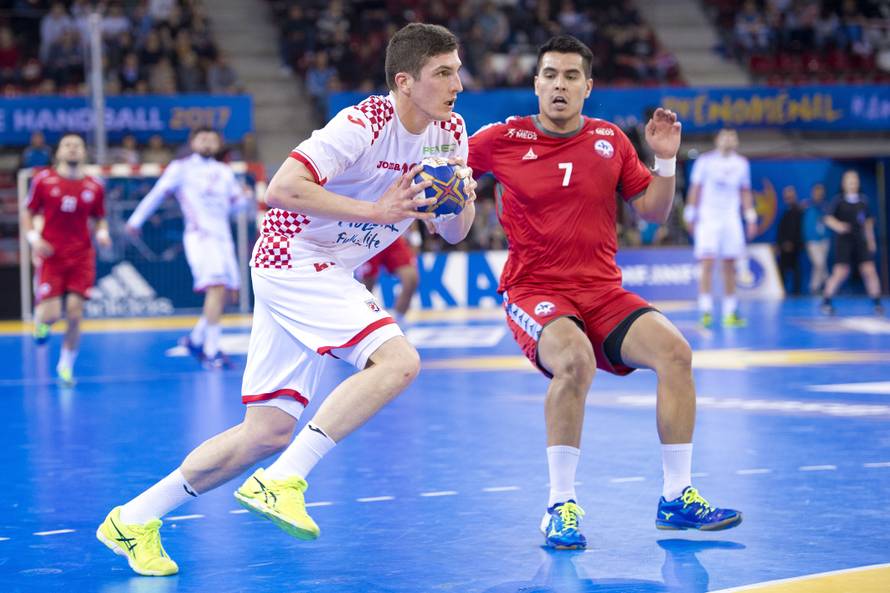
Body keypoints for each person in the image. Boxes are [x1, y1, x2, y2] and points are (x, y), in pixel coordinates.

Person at [98, 23, 476, 576]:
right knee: (398, 361)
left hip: (322, 267)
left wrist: (460, 198)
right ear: (405, 81)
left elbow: (456, 232)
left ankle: (133, 520)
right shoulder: (364, 123)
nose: (457, 84)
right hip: (291, 254)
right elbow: (282, 188)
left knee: (266, 432)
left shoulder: (451, 131)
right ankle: (283, 481)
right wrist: (378, 212)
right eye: (444, 72)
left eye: (457, 70)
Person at [467, 35, 741, 551]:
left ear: (588, 87)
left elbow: (654, 213)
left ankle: (677, 498)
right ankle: (560, 506)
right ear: (535, 83)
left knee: (676, 353)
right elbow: (447, 169)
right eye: (550, 75)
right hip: (535, 290)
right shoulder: (502, 138)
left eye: (571, 76)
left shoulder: (610, 139)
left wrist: (665, 161)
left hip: (602, 290)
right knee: (575, 362)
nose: (559, 85)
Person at [125, 127, 249, 368]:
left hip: (223, 239)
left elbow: (234, 208)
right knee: (215, 287)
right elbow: (157, 194)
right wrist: (135, 220)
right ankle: (211, 351)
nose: (207, 143)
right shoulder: (181, 168)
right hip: (200, 237)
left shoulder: (224, 172)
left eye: (212, 139)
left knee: (224, 295)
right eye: (203, 138)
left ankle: (194, 340)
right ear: (193, 143)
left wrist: (246, 199)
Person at [22, 133, 111, 385]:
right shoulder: (43, 180)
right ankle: (41, 324)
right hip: (52, 254)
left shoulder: (94, 185)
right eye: (67, 146)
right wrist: (33, 239)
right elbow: (28, 212)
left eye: (77, 146)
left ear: (84, 153)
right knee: (50, 315)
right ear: (58, 153)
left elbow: (99, 216)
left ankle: (65, 366)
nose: (72, 150)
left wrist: (102, 233)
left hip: (81, 256)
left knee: (74, 313)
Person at [684, 128, 757, 328]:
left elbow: (745, 192)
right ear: (717, 140)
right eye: (725, 136)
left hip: (731, 219)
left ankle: (730, 311)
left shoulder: (742, 164)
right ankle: (705, 310)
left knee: (729, 265)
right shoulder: (705, 162)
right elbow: (695, 189)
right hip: (708, 218)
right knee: (706, 264)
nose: (728, 139)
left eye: (733, 136)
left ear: (736, 141)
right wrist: (690, 213)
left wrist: (750, 217)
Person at [820, 170, 883, 315]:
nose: (852, 184)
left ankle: (877, 302)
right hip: (844, 241)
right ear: (844, 183)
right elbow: (827, 218)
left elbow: (868, 223)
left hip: (860, 240)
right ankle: (826, 301)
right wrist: (839, 226)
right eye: (849, 181)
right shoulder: (838, 201)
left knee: (869, 270)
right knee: (841, 272)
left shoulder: (863, 201)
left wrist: (871, 241)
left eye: (855, 181)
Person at [355, 229, 420, 323]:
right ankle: (363, 322)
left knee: (411, 279)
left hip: (392, 234)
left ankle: (398, 320)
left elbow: (414, 216)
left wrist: (415, 238)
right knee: (366, 288)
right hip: (367, 235)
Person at [775, 186, 804, 295]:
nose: (788, 197)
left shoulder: (798, 211)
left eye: (790, 194)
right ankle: (782, 291)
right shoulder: (785, 212)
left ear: (794, 195)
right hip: (784, 246)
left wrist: (792, 243)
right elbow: (781, 230)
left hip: (794, 246)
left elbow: (797, 229)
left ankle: (797, 293)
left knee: (796, 269)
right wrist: (780, 244)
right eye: (786, 195)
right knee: (782, 270)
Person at [803, 183, 830, 294]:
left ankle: (820, 286)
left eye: (821, 191)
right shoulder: (807, 206)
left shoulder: (826, 206)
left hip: (824, 239)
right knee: (819, 263)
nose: (819, 194)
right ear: (813, 192)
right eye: (816, 191)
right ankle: (822, 283)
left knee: (820, 264)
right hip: (811, 240)